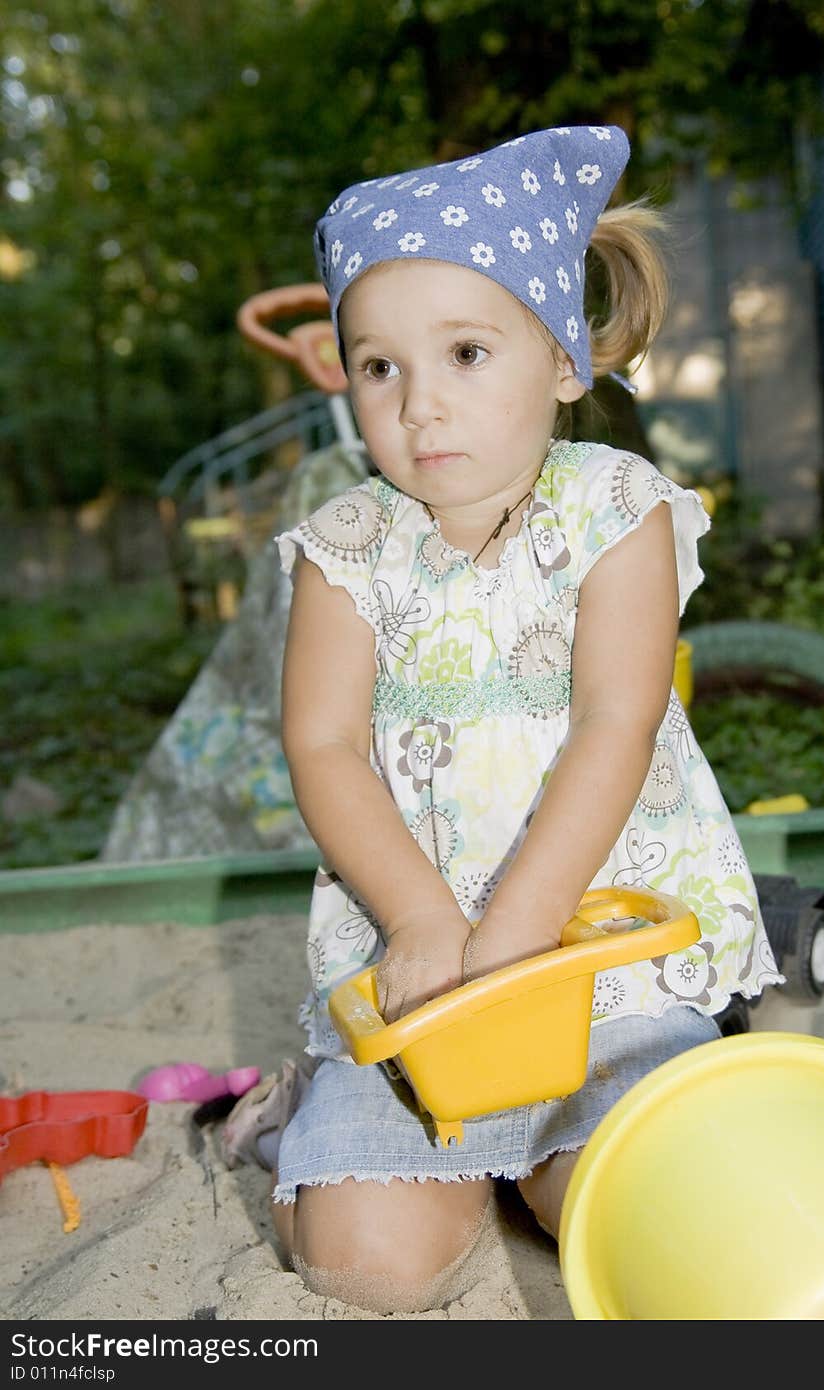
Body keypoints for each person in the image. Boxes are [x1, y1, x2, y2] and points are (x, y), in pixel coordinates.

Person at [223, 124, 783, 1314]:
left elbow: (615, 723)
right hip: (421, 981)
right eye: (379, 367)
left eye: (466, 352)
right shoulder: (347, 547)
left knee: (656, 1210)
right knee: (362, 1269)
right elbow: (321, 744)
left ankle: (549, 1155)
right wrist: (425, 916)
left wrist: (523, 922)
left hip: (594, 968)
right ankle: (307, 1134)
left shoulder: (616, 510)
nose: (420, 406)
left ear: (563, 359)